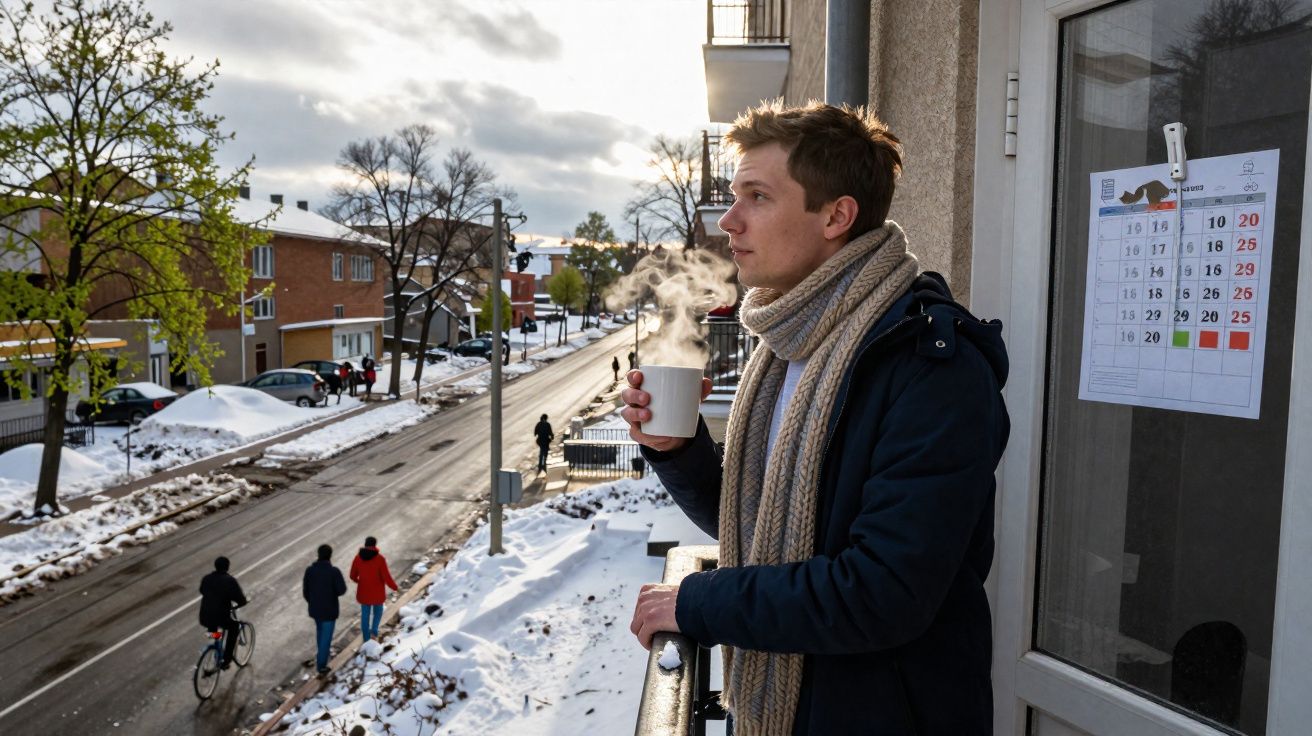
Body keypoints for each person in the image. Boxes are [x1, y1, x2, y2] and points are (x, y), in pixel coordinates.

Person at [623, 101, 1009, 735]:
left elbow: (881, 592)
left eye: (756, 196)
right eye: (732, 195)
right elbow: (757, 517)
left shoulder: (931, 368)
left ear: (836, 215)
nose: (728, 220)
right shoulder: (788, 346)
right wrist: (678, 448)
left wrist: (701, 603)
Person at [302, 543, 347, 675]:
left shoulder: (310, 570)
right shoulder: (334, 572)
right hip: (329, 610)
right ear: (330, 556)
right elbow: (342, 590)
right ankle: (321, 666)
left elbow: (306, 591)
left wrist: (313, 601)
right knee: (325, 639)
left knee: (320, 634)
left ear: (318, 555)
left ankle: (321, 657)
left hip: (315, 610)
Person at [198, 556, 247, 669]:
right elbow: (240, 599)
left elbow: (202, 590)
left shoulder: (206, 578)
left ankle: (215, 642)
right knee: (234, 627)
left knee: (213, 628)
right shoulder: (230, 580)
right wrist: (242, 602)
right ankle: (226, 660)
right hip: (221, 616)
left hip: (204, 616)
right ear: (227, 567)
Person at [349, 536, 398, 642]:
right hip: (377, 592)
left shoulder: (358, 558)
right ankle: (374, 630)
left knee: (365, 615)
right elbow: (386, 576)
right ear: (375, 545)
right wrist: (394, 587)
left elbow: (352, 575)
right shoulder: (380, 559)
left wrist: (359, 581)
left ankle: (366, 639)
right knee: (378, 611)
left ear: (365, 545)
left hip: (364, 592)